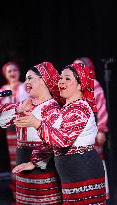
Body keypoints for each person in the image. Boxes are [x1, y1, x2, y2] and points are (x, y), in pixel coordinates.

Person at [14, 63, 106, 204]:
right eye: (61, 77)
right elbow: (53, 142)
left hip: (84, 173)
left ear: (80, 85)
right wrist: (35, 162)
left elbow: (63, 140)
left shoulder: (80, 109)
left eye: (67, 78)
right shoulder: (67, 109)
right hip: (72, 175)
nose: (61, 81)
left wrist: (36, 123)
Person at [0, 62, 62, 204]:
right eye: (26, 78)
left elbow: (55, 141)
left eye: (30, 78)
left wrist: (35, 162)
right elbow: (1, 119)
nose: (26, 82)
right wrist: (18, 109)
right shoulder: (27, 104)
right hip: (22, 162)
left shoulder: (52, 107)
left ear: (43, 79)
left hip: (42, 167)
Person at [0, 61, 29, 196]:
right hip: (12, 130)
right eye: (9, 71)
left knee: (29, 156)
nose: (12, 73)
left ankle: (30, 188)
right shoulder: (3, 89)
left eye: (14, 70)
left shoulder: (26, 86)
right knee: (15, 158)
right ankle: (18, 191)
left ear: (19, 71)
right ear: (5, 74)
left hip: (28, 127)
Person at [73, 57, 109, 199]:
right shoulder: (71, 86)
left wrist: (101, 129)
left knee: (95, 161)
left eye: (81, 66)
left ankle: (100, 195)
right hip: (76, 132)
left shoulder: (94, 84)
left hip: (91, 131)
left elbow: (101, 109)